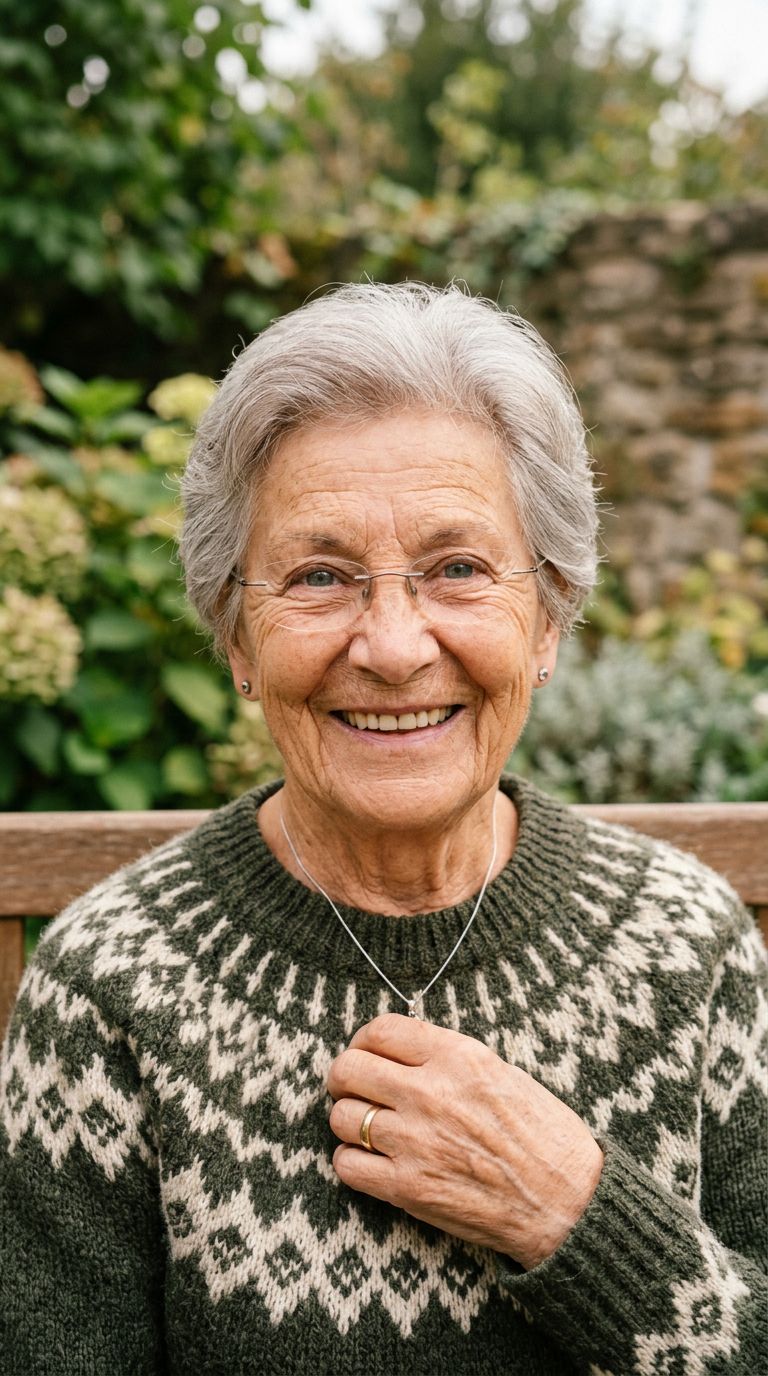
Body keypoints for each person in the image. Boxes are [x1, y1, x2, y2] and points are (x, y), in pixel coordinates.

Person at [1, 282, 766, 1376]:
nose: (396, 644)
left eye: (458, 567)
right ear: (237, 640)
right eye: (320, 576)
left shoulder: (688, 947)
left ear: (548, 614)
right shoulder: (112, 986)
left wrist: (577, 1217)